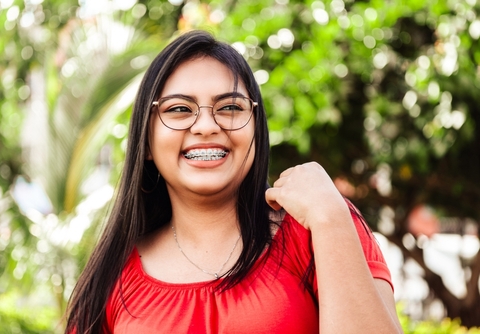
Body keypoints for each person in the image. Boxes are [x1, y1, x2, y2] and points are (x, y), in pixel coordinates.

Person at [65, 30, 403, 334]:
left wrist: (330, 219)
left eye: (229, 107)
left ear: (256, 128)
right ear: (147, 141)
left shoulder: (316, 227)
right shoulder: (113, 279)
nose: (206, 126)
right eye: (180, 110)